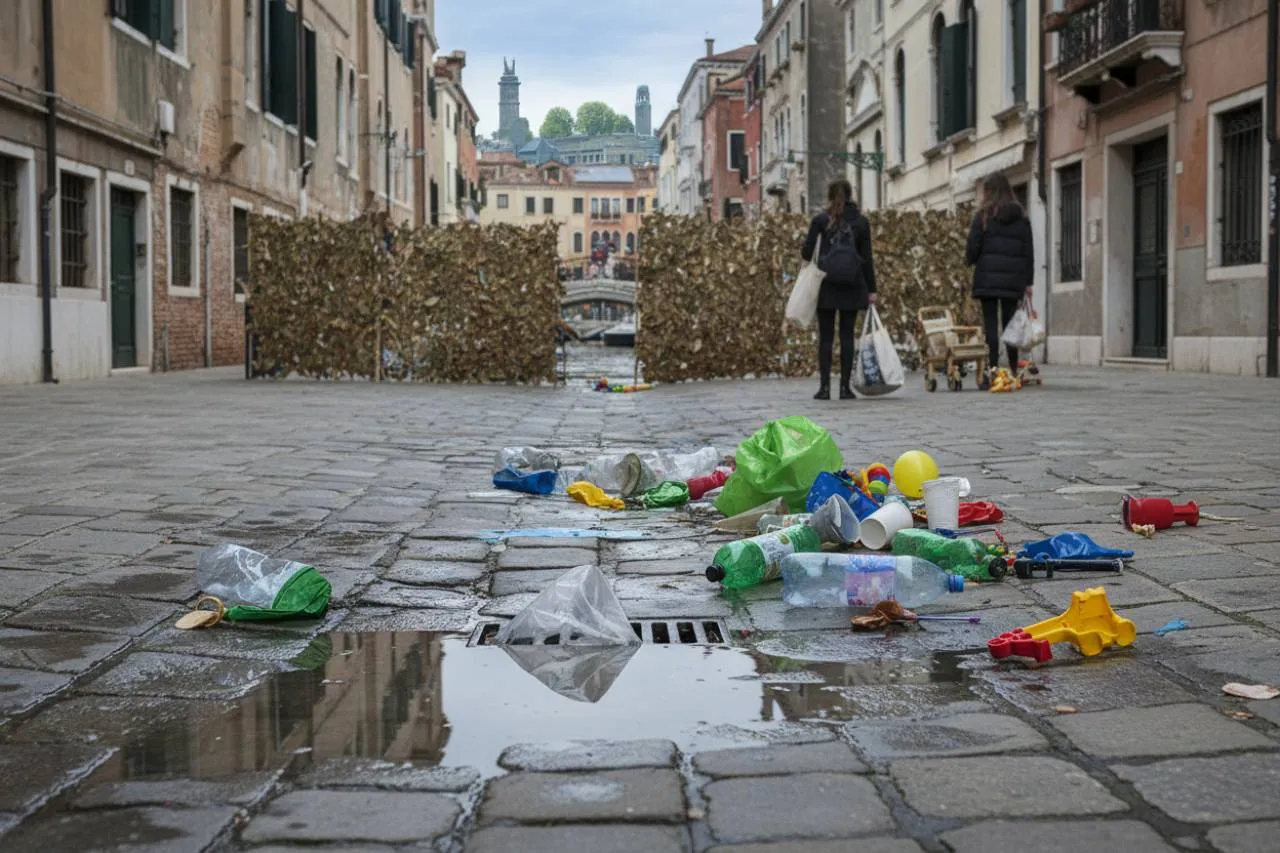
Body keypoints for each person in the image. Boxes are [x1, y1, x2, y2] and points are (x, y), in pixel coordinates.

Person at [800, 179, 878, 400]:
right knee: (847, 336)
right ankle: (845, 388)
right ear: (851, 195)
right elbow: (867, 260)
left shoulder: (821, 220)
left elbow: (806, 253)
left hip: (825, 285)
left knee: (825, 338)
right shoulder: (861, 222)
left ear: (829, 195)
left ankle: (824, 388)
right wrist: (872, 290)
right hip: (852, 284)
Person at [966, 173, 1034, 378]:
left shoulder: (983, 216)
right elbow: (1028, 253)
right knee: (1009, 324)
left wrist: (972, 260)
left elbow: (972, 249)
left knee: (991, 324)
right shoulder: (1022, 217)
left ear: (988, 192)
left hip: (987, 277)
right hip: (1013, 280)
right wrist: (1028, 282)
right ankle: (1013, 369)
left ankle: (993, 367)